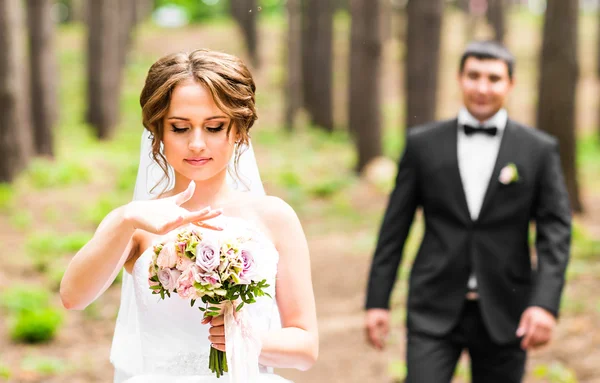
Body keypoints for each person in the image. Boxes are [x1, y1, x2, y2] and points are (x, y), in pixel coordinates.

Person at [60, 49, 318, 382]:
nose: (197, 144)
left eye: (214, 127)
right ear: (159, 133)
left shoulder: (275, 217)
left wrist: (248, 339)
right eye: (180, 128)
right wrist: (127, 221)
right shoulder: (135, 221)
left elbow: (306, 347)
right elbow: (72, 297)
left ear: (238, 130)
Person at [364, 40, 571, 383]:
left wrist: (545, 304)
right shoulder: (422, 144)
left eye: (493, 78)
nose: (482, 87)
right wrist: (377, 301)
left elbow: (555, 235)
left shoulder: (538, 150)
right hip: (433, 305)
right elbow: (393, 229)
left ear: (510, 84)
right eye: (473, 76)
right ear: (459, 78)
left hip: (507, 307)